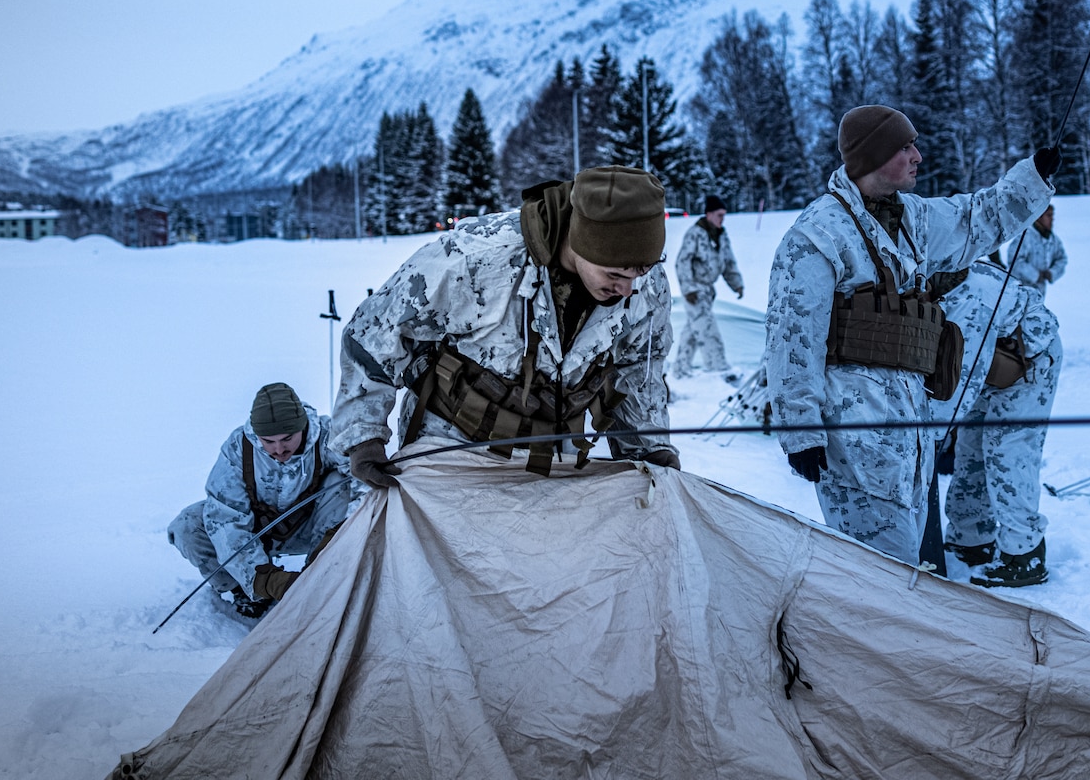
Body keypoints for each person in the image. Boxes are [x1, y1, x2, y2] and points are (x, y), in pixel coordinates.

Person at [765, 104, 1059, 565]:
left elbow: (975, 219)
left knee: (902, 572)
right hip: (855, 438)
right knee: (873, 576)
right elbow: (792, 338)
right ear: (873, 157)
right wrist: (800, 429)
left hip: (908, 433)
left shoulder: (912, 219)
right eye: (905, 147)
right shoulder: (817, 236)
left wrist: (1031, 180)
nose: (918, 155)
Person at [332, 165, 680, 483]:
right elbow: (375, 334)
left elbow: (638, 369)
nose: (629, 288)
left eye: (642, 271)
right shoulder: (474, 259)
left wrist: (647, 448)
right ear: (579, 244)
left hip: (554, 463)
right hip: (451, 454)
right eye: (615, 274)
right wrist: (364, 436)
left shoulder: (644, 283)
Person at [168, 382, 358, 618]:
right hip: (254, 529)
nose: (279, 449)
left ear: (303, 427)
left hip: (310, 528)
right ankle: (245, 589)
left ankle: (322, 575)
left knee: (342, 480)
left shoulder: (329, 435)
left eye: (287, 438)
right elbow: (226, 516)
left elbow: (365, 484)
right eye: (269, 441)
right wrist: (263, 579)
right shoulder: (238, 448)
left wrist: (333, 540)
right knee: (187, 525)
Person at [935, 260, 1062, 587]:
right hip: (992, 363)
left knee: (1007, 453)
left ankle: (1025, 554)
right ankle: (971, 539)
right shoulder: (931, 278)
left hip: (1030, 363)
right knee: (971, 449)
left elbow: (961, 381)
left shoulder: (970, 303)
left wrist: (933, 433)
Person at [673, 194, 744, 381]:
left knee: (693, 331)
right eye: (720, 215)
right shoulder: (694, 234)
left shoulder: (722, 235)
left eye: (724, 215)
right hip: (695, 291)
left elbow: (728, 262)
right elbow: (682, 262)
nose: (723, 219)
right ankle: (719, 369)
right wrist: (688, 289)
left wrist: (737, 285)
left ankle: (680, 370)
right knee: (707, 330)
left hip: (708, 291)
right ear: (709, 214)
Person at [1007, 203, 1066, 296]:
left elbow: (1062, 259)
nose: (1052, 219)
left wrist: (1051, 273)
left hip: (1039, 292)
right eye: (1049, 215)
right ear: (1039, 217)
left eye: (1052, 215)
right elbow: (1015, 261)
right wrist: (1036, 275)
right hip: (1019, 290)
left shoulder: (1054, 240)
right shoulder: (1025, 237)